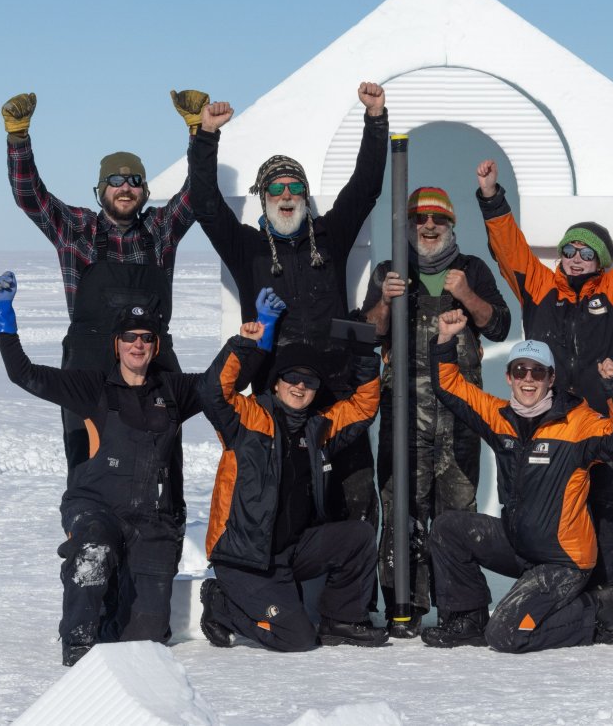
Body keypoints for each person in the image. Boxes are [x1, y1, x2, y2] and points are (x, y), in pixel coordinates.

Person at [1, 90, 233, 513]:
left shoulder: (161, 231)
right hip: (90, 370)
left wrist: (199, 133)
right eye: (115, 180)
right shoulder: (76, 230)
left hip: (153, 364)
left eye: (134, 181)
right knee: (88, 464)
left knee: (161, 466)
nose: (125, 188)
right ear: (100, 189)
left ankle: (163, 537)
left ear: (144, 191)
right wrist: (19, 140)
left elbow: (198, 192)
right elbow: (30, 197)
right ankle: (86, 542)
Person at [474, 158, 613, 596]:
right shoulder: (538, 287)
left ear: (601, 260)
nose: (575, 259)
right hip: (548, 426)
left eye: (586, 253)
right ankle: (549, 599)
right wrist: (492, 198)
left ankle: (605, 605)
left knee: (605, 514)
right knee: (542, 513)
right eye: (569, 250)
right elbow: (510, 249)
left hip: (602, 426)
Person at [189, 82, 388, 532]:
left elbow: (365, 188)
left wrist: (375, 120)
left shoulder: (331, 237)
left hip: (337, 397)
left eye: (294, 186)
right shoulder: (246, 247)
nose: (285, 194)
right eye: (275, 187)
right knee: (285, 510)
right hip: (277, 402)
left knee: (355, 505)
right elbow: (204, 203)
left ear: (303, 194)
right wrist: (205, 137)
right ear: (263, 197)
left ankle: (357, 603)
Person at [0, 272, 206, 667]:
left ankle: (111, 607)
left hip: (152, 519)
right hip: (97, 505)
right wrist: (4, 317)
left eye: (145, 337)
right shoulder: (93, 388)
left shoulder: (173, 391)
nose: (137, 344)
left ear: (155, 347)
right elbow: (26, 375)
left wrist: (256, 338)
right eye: (129, 337)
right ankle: (78, 644)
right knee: (94, 549)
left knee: (148, 636)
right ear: (116, 344)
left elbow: (222, 383)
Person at [421, 310, 613, 652]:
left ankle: (595, 610)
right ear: (509, 377)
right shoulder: (500, 418)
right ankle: (466, 620)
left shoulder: (577, 423)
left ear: (550, 378)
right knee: (448, 527)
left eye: (537, 372)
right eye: (520, 370)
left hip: (563, 562)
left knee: (506, 635)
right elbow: (450, 388)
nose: (529, 379)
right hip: (518, 546)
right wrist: (445, 340)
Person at [197, 289, 389, 651]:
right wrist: (243, 344)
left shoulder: (318, 429)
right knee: (297, 639)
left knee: (358, 536)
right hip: (245, 559)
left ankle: (342, 619)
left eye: (310, 381)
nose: (300, 386)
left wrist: (365, 355)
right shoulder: (248, 419)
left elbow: (363, 408)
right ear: (277, 381)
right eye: (292, 378)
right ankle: (221, 602)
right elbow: (212, 393)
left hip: (291, 552)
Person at [360, 186, 511, 637]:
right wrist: (385, 301)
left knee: (455, 516)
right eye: (421, 219)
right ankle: (403, 608)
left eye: (438, 220)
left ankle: (458, 611)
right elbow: (369, 333)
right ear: (408, 225)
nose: (429, 226)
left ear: (451, 226)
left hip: (459, 418)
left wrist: (467, 294)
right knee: (401, 510)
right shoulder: (390, 271)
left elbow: (499, 323)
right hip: (403, 418)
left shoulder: (473, 270)